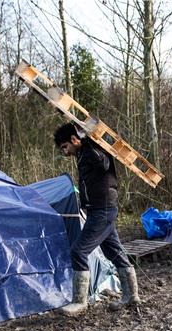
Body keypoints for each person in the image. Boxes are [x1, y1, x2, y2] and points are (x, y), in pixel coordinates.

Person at [53, 123, 141, 315]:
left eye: (65, 147)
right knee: (114, 252)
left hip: (103, 209)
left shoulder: (94, 149)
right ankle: (131, 296)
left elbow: (104, 164)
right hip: (99, 210)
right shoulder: (83, 154)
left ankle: (80, 302)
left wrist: (89, 141)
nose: (65, 152)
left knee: (78, 251)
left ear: (74, 140)